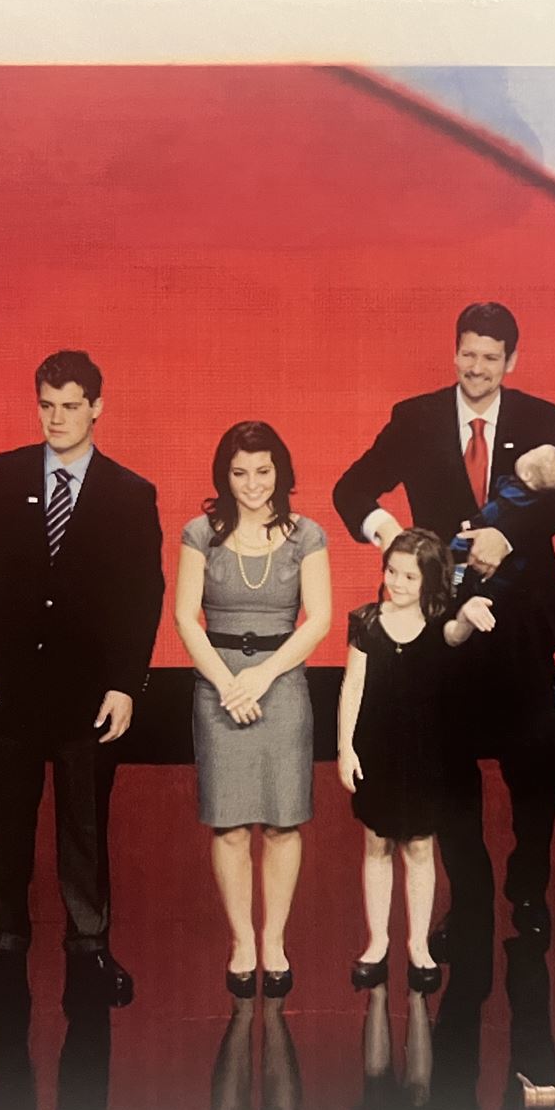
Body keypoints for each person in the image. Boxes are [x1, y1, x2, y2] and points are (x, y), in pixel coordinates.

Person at [333, 301, 555, 956]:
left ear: (511, 361)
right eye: (468, 353)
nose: (477, 367)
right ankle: (468, 902)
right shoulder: (414, 418)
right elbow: (351, 489)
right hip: (442, 626)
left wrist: (508, 533)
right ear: (454, 352)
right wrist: (393, 536)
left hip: (523, 623)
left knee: (535, 766)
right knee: (448, 769)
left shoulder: (539, 417)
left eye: (491, 357)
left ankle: (528, 891)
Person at [0, 350, 164, 1009]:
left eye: (71, 406)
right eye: (47, 405)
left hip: (87, 694)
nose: (57, 418)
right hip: (6, 687)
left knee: (84, 826)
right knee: (5, 823)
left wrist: (125, 683)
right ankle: (6, 943)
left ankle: (90, 946)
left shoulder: (131, 493)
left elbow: (142, 596)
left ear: (97, 407)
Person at [173, 421, 332, 999]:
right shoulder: (199, 533)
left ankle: (275, 941)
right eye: (240, 473)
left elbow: (319, 618)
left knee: (283, 821)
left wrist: (262, 676)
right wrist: (226, 684)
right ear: (225, 475)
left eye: (263, 471)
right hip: (218, 688)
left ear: (280, 472)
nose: (252, 483)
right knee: (231, 823)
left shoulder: (307, 535)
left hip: (282, 686)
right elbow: (184, 617)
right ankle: (242, 941)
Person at [337, 528, 497, 995]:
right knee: (377, 845)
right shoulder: (366, 621)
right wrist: (346, 748)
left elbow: (456, 634)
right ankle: (377, 943)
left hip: (426, 753)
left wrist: (468, 612)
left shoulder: (440, 621)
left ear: (429, 580)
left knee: (420, 848)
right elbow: (352, 686)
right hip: (377, 749)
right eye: (392, 572)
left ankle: (418, 945)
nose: (397, 582)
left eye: (409, 576)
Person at [449, 442, 555, 600]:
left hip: (484, 544)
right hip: (512, 568)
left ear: (527, 475)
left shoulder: (511, 496)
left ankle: (456, 583)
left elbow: (491, 513)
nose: (525, 451)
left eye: (530, 452)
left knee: (459, 550)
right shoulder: (524, 495)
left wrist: (473, 524)